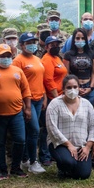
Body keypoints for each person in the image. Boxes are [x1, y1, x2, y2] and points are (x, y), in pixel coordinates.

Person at [0, 43, 31, 180]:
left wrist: (27, 108)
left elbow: (26, 90)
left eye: (8, 55)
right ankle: (3, 170)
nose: (6, 58)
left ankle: (16, 167)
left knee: (20, 140)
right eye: (3, 56)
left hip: (16, 113)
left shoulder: (17, 71)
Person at [46, 74, 94, 180]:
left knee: (83, 175)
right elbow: (51, 128)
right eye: (69, 87)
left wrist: (88, 147)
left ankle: (72, 167)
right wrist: (69, 145)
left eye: (75, 87)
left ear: (79, 88)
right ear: (63, 89)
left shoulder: (87, 104)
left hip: (81, 145)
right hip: (60, 144)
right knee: (67, 162)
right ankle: (63, 168)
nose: (72, 90)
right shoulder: (54, 104)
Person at [14, 32, 47, 174]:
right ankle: (33, 161)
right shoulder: (18, 61)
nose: (32, 44)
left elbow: (40, 79)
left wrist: (44, 96)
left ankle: (25, 158)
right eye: (28, 42)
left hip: (39, 99)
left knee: (31, 131)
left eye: (33, 41)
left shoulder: (37, 59)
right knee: (34, 130)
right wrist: (25, 106)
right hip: (27, 101)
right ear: (22, 45)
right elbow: (16, 85)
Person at [40, 35, 68, 165]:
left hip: (61, 95)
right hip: (53, 97)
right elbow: (48, 80)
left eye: (57, 44)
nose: (56, 47)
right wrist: (57, 97)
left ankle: (54, 153)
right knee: (47, 128)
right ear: (46, 47)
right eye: (52, 45)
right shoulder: (47, 60)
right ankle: (45, 155)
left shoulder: (57, 58)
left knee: (57, 126)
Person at [63, 28, 94, 102]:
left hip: (89, 87)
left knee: (90, 110)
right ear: (73, 40)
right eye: (77, 38)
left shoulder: (92, 53)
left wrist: (91, 87)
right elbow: (66, 73)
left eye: (82, 38)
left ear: (86, 39)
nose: (80, 40)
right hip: (74, 88)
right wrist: (76, 88)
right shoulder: (68, 55)